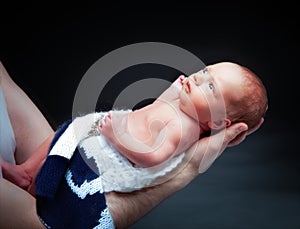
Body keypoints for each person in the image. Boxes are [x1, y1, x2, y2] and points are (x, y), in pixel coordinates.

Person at [0, 60, 264, 229]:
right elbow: (160, 102)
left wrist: (117, 136)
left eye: (210, 87)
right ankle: (28, 171)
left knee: (69, 142)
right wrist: (179, 89)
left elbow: (152, 156)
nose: (197, 78)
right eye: (205, 71)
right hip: (112, 133)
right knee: (65, 134)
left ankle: (35, 177)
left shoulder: (184, 128)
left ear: (218, 121)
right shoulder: (182, 104)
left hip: (118, 154)